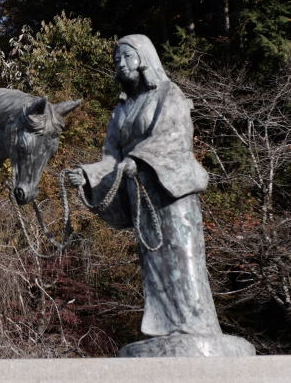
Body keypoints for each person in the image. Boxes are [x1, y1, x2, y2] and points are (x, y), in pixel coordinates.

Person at [67, 34, 221, 338]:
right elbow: (111, 155)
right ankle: (165, 327)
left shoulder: (168, 93)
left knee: (182, 255)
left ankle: (196, 324)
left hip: (170, 188)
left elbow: (176, 135)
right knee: (153, 261)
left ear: (144, 58)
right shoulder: (122, 109)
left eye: (127, 56)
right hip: (138, 189)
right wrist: (86, 175)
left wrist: (139, 157)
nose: (121, 64)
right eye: (116, 60)